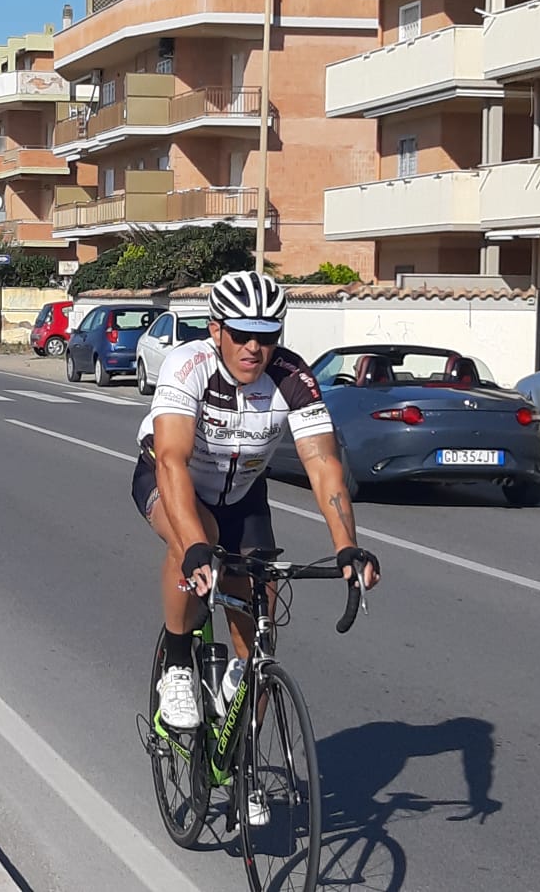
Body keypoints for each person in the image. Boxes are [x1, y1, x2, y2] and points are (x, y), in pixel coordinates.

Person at [134, 270, 381, 735]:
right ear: (216, 330)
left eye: (267, 336)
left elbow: (323, 462)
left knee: (261, 628)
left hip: (244, 495)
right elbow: (171, 460)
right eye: (242, 335)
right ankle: (178, 663)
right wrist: (192, 546)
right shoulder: (188, 366)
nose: (254, 348)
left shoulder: (292, 376)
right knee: (197, 538)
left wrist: (347, 545)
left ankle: (243, 769)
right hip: (171, 478)